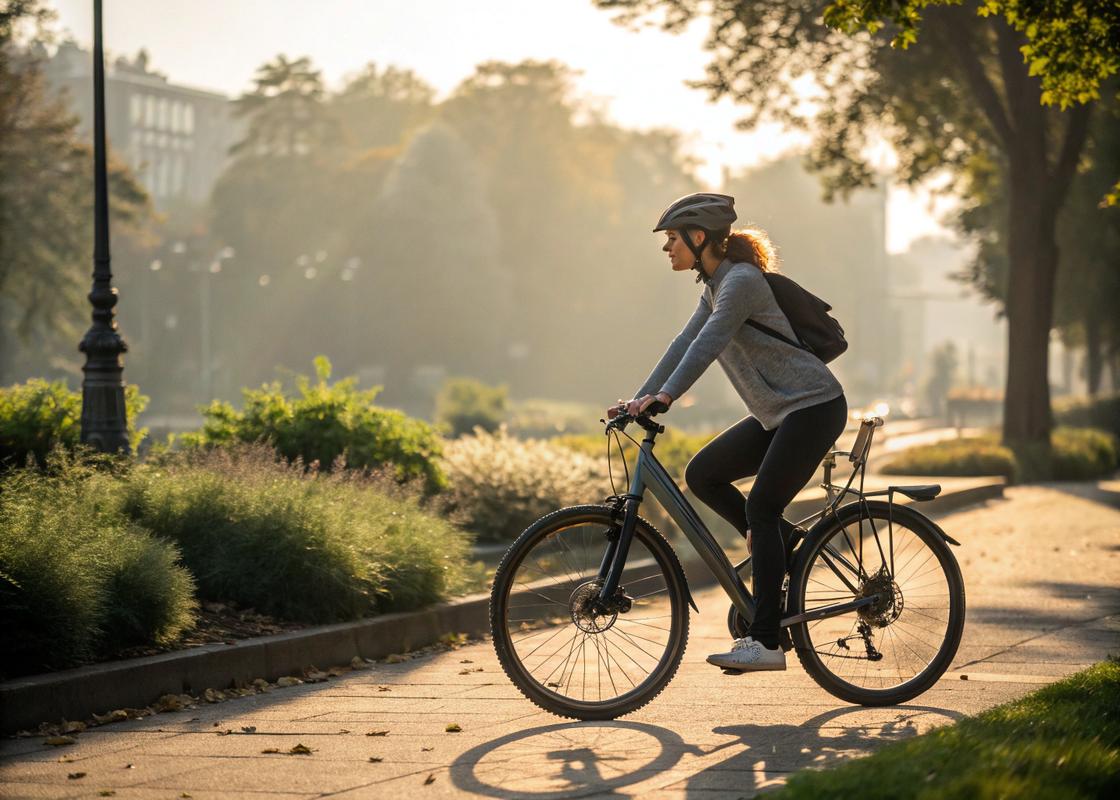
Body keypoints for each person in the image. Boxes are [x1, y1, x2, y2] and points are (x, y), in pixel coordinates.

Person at [611, 192, 847, 672]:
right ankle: (776, 545)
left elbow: (707, 344)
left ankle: (766, 642)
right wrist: (639, 397)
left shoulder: (741, 282)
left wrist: (667, 396)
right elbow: (684, 342)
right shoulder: (716, 286)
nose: (667, 248)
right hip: (779, 413)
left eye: (673, 239)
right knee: (703, 475)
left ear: (700, 239)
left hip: (814, 407)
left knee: (761, 505)